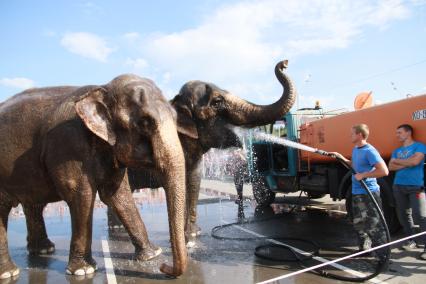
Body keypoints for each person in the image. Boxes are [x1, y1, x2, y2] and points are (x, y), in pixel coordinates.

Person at [331, 124, 389, 258]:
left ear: (360, 135)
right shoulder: (356, 149)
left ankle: (383, 256)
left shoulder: (370, 151)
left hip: (369, 193)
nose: (349, 136)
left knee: (374, 225)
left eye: (352, 133)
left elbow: (384, 171)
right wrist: (340, 157)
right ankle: (364, 249)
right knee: (359, 223)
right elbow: (353, 165)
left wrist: (363, 175)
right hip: (357, 193)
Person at [388, 124, 426, 260]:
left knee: (421, 215)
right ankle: (412, 240)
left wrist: (398, 161)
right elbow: (390, 166)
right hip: (398, 185)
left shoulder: (419, 146)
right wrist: (406, 162)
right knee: (403, 215)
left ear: (408, 133)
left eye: (399, 132)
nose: (397, 135)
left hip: (416, 186)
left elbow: (415, 162)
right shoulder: (396, 150)